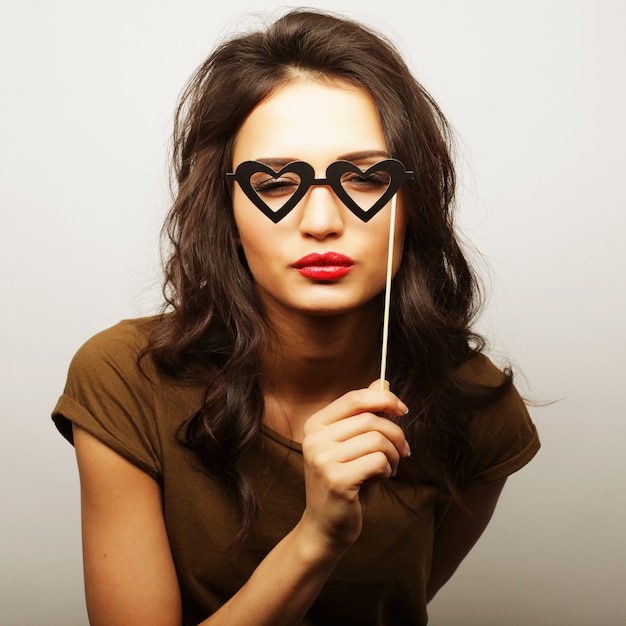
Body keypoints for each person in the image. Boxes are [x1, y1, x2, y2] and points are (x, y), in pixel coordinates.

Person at [52, 8, 540, 626]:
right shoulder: (126, 377)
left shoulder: (477, 408)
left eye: (364, 178)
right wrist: (317, 538)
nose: (320, 221)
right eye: (276, 182)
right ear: (223, 206)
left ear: (413, 201)